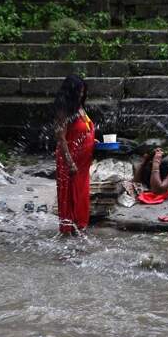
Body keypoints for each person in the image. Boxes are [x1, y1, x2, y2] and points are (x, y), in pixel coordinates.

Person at [54, 75, 95, 234]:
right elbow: (61, 137)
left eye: (83, 92)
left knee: (82, 193)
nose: (81, 95)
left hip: (83, 161)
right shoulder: (63, 108)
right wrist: (70, 162)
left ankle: (80, 225)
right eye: (78, 92)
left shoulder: (79, 106)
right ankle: (69, 227)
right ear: (71, 92)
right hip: (70, 160)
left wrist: (92, 140)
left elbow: (83, 129)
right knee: (70, 194)